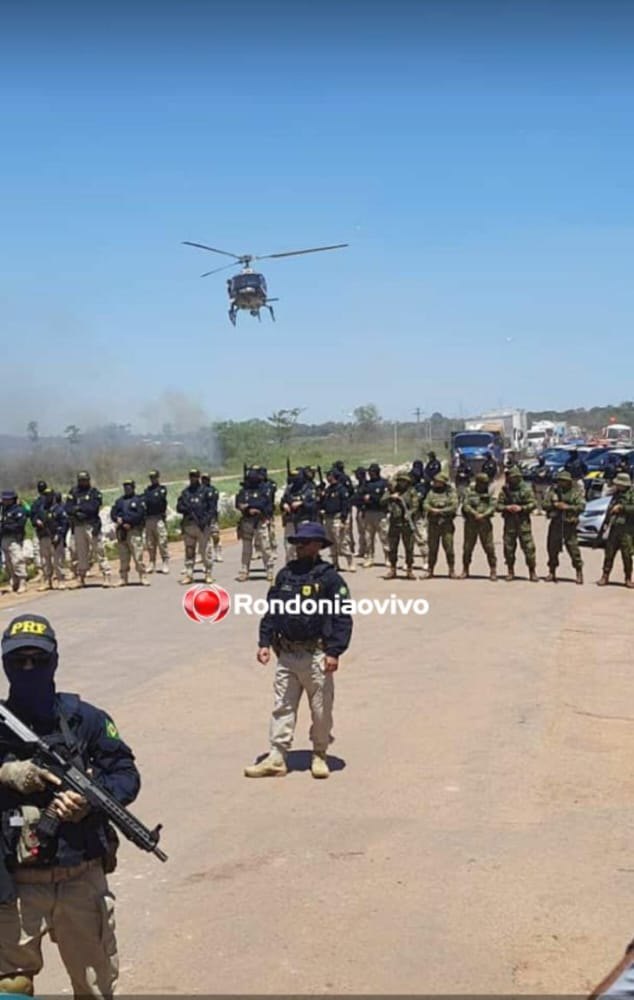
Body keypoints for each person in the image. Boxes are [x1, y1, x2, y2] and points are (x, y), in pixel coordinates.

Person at [0, 612, 141, 997]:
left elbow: (125, 773)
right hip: (14, 882)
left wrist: (91, 800)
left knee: (95, 987)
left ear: (55, 660)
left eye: (38, 660)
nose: (28, 668)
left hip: (80, 875)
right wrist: (7, 774)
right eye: (18, 661)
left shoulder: (84, 719)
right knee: (9, 983)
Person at [244, 522, 352, 780]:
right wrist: (264, 642)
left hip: (317, 655)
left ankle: (320, 753)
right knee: (282, 706)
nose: (299, 546)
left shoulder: (329, 578)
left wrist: (334, 651)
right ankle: (277, 757)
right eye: (296, 542)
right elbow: (271, 610)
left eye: (304, 542)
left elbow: (342, 617)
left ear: (317, 546)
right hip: (288, 655)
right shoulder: (285, 575)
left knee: (321, 710)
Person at [64, 473, 112, 588]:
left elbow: (93, 507)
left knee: (99, 550)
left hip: (91, 525)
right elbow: (68, 508)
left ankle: (106, 575)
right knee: (80, 553)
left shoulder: (94, 492)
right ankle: (81, 577)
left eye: (85, 480)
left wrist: (79, 508)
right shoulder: (73, 492)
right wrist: (77, 510)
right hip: (78, 526)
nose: (83, 482)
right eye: (81, 480)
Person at [496, 466, 538, 581]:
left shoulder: (526, 489)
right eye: (511, 478)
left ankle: (532, 571)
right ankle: (510, 571)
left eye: (515, 477)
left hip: (523, 523)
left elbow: (533, 503)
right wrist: (507, 507)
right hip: (509, 524)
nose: (513, 480)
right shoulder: (505, 490)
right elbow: (497, 506)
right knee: (508, 548)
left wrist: (522, 508)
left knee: (529, 548)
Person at [542, 470, 584, 584]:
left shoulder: (575, 492)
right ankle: (552, 571)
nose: (561, 483)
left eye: (564, 481)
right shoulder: (553, 491)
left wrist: (567, 507)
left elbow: (581, 506)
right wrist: (554, 505)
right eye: (560, 480)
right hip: (556, 523)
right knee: (552, 548)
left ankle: (579, 571)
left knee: (573, 549)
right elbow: (544, 505)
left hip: (569, 524)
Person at [235, 467, 274, 583]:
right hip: (247, 522)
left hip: (260, 522)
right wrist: (249, 509)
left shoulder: (263, 491)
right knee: (246, 549)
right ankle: (244, 571)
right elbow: (238, 504)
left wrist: (251, 506)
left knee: (265, 547)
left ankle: (270, 571)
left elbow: (266, 505)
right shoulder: (243, 492)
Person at [381, 471, 421, 579]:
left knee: (409, 548)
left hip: (407, 524)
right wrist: (391, 497)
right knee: (392, 548)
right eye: (400, 481)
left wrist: (410, 514)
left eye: (404, 481)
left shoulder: (411, 491)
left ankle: (409, 570)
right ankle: (392, 570)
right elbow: (382, 501)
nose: (402, 483)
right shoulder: (392, 490)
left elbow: (415, 505)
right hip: (394, 523)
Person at [597, 472, 634, 588]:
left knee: (627, 555)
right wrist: (605, 524)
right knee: (609, 553)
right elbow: (610, 510)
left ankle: (628, 578)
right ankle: (605, 575)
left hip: (627, 529)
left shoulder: (632, 494)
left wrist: (622, 508)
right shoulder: (616, 494)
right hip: (614, 528)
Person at [110, 480, 150, 587]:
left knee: (138, 555)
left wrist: (128, 522)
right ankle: (123, 578)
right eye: (125, 487)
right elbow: (113, 513)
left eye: (129, 487)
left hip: (134, 531)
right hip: (122, 532)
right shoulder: (120, 501)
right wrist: (118, 520)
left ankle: (143, 577)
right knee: (123, 556)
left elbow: (140, 515)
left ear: (133, 487)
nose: (127, 489)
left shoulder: (138, 500)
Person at [176, 469, 213, 585]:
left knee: (205, 551)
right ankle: (189, 574)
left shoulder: (206, 491)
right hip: (189, 525)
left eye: (195, 476)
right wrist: (187, 509)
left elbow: (211, 509)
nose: (193, 478)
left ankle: (208, 573)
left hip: (202, 526)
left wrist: (205, 521)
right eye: (191, 476)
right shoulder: (186, 492)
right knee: (189, 551)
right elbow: (179, 507)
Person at [29, 488, 68, 591]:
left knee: (57, 561)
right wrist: (36, 521)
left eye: (49, 495)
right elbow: (33, 518)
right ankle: (47, 581)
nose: (47, 497)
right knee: (45, 561)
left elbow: (64, 523)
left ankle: (61, 580)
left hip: (54, 537)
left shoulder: (58, 509)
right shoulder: (41, 509)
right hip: (43, 536)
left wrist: (59, 535)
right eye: (46, 495)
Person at [460, 473, 497, 581]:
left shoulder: (490, 492)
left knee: (489, 547)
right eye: (483, 483)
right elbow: (465, 505)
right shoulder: (470, 492)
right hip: (471, 523)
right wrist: (474, 513)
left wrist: (483, 514)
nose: (484, 485)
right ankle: (465, 569)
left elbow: (493, 506)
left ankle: (493, 569)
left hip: (485, 523)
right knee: (467, 548)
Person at [423, 472, 458, 578]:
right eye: (435, 481)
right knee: (432, 548)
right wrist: (431, 509)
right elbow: (425, 504)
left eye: (438, 482)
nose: (436, 483)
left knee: (449, 548)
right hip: (433, 524)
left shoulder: (450, 493)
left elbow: (454, 506)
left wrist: (440, 511)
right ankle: (430, 570)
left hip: (446, 524)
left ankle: (451, 570)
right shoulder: (431, 492)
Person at [319, 469, 355, 573]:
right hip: (328, 518)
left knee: (341, 541)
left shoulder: (341, 489)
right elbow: (323, 504)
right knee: (331, 542)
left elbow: (345, 505)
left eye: (329, 476)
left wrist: (343, 520)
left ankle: (350, 561)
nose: (327, 478)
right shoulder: (327, 490)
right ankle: (335, 564)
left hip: (337, 518)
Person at [358, 463, 390, 568]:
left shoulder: (384, 483)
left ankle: (388, 558)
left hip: (380, 513)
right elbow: (359, 495)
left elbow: (384, 499)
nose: (370, 474)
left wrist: (371, 498)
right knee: (368, 537)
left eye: (371, 472)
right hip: (368, 512)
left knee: (384, 536)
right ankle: (369, 557)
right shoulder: (366, 484)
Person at [0, 492, 28, 595]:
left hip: (14, 538)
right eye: (4, 499)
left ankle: (22, 582)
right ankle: (13, 582)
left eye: (8, 499)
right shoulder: (3, 510)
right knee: (7, 563)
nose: (6, 501)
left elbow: (19, 525)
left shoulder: (18, 510)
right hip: (4, 538)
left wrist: (7, 526)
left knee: (17, 560)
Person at [142, 470, 170, 574]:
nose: (153, 479)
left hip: (159, 518)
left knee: (162, 541)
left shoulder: (162, 489)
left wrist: (150, 500)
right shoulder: (147, 490)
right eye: (151, 477)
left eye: (154, 477)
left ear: (158, 477)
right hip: (149, 518)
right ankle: (152, 562)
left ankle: (165, 561)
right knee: (150, 543)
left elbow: (157, 501)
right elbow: (145, 501)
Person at [409, 460, 429, 573]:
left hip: (418, 514)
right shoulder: (408, 486)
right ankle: (409, 561)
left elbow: (420, 498)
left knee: (421, 537)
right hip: (407, 514)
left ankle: (426, 560)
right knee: (409, 539)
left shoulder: (422, 486)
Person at [201, 473, 222, 567]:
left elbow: (213, 504)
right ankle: (202, 555)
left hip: (212, 517)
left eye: (206, 479)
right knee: (203, 537)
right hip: (202, 517)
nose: (205, 481)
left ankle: (218, 553)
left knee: (215, 535)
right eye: (203, 479)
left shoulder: (213, 490)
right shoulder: (199, 490)